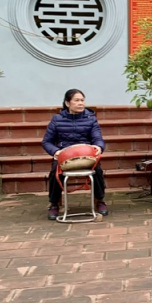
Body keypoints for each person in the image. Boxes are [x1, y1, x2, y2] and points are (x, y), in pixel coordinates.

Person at [42, 89, 108, 220]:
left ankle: (100, 201)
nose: (80, 103)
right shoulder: (57, 119)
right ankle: (54, 203)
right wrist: (56, 152)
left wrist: (99, 147)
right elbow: (46, 141)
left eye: (82, 100)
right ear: (67, 103)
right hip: (64, 155)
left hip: (86, 155)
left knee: (98, 171)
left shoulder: (91, 119)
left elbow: (98, 138)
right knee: (55, 171)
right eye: (76, 100)